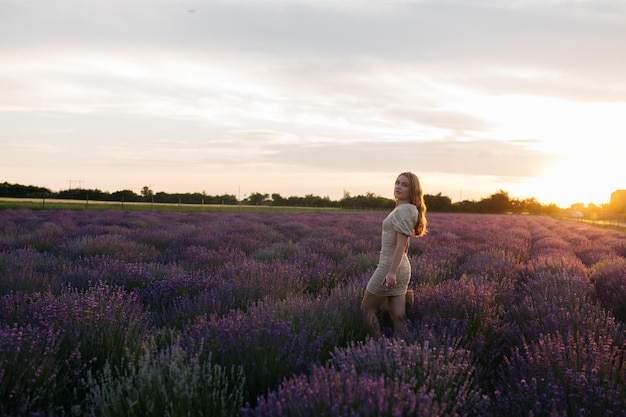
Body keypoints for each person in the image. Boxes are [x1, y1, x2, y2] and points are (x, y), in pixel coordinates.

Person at [360, 172, 427, 337]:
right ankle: (402, 351)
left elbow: (401, 244)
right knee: (398, 317)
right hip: (400, 267)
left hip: (390, 267)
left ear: (413, 190)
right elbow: (405, 245)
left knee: (367, 309)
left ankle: (376, 348)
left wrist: (391, 272)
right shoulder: (405, 209)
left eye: (405, 185)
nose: (399, 187)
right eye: (397, 183)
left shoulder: (404, 210)